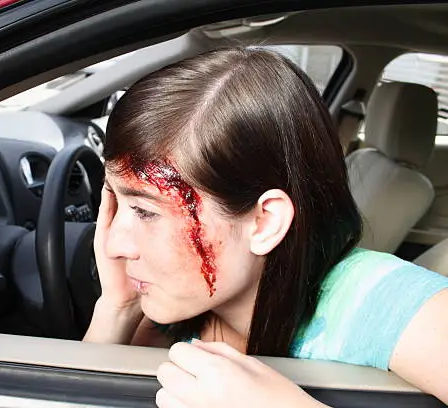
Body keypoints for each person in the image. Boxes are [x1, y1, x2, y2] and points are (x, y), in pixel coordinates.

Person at [82, 47, 448, 407]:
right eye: (116, 202)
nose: (114, 243)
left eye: (144, 211)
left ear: (264, 222)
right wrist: (117, 307)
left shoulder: (383, 303)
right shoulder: (175, 306)